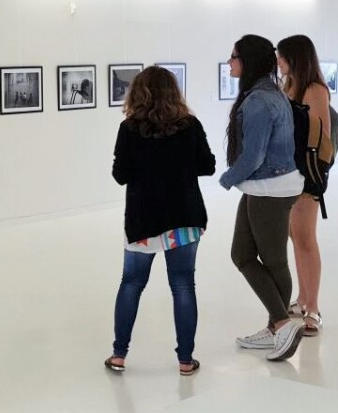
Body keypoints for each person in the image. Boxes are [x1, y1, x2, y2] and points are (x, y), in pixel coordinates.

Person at [105, 66, 215, 376]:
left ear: (138, 92)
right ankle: (185, 360)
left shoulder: (129, 129)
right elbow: (207, 166)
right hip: (184, 218)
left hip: (143, 221)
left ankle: (118, 355)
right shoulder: (190, 125)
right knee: (182, 285)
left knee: (131, 283)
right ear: (173, 92)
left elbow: (120, 175)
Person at [219, 34, 304, 361]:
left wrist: (227, 178)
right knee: (242, 253)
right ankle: (277, 327)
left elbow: (253, 157)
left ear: (248, 61)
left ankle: (281, 325)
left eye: (234, 56)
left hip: (270, 189)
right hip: (265, 188)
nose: (229, 62)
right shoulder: (269, 94)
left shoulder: (258, 101)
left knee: (273, 260)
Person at [277, 34, 331, 336]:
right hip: (288, 174)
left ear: (295, 58)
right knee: (296, 238)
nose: (278, 62)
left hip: (307, 176)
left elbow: (320, 140)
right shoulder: (289, 86)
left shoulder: (315, 90)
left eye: (282, 56)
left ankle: (313, 309)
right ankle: (302, 299)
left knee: (306, 240)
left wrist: (312, 178)